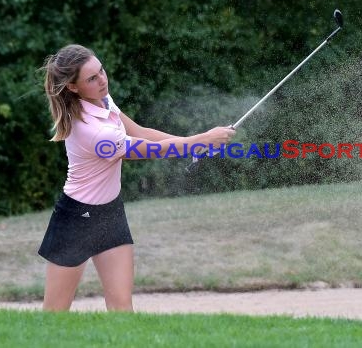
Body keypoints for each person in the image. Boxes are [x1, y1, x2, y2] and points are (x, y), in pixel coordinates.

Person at [38, 44, 235, 311]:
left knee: (122, 311)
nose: (102, 80)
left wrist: (195, 143)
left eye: (102, 71)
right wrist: (200, 140)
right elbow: (147, 150)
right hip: (75, 219)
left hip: (110, 213)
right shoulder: (91, 130)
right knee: (55, 315)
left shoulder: (103, 100)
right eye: (92, 78)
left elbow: (141, 132)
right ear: (73, 87)